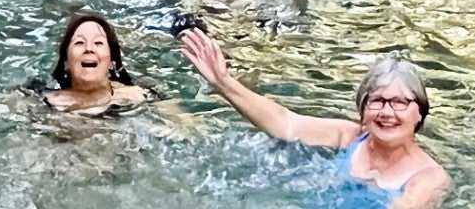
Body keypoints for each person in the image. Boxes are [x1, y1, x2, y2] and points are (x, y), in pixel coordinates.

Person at [179, 30, 451, 208]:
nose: (387, 112)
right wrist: (224, 83)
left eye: (400, 102)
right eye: (377, 100)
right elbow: (285, 123)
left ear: (420, 112)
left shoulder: (429, 177)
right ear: (363, 110)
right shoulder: (350, 136)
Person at [40, 12, 151, 115]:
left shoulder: (140, 97)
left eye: (98, 43)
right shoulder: (41, 100)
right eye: (79, 42)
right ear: (66, 62)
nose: (89, 48)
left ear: (111, 62)